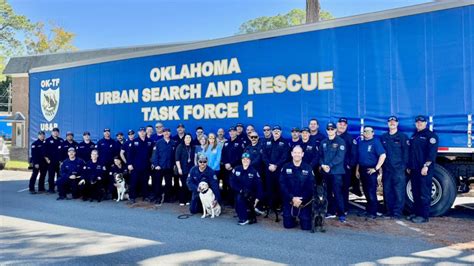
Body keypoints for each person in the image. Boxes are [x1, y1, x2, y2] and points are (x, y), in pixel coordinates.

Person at [407, 115, 439, 223]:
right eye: (417, 122)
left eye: (421, 122)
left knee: (424, 192)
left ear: (426, 123)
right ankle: (416, 213)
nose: (419, 123)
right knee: (415, 191)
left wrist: (426, 166)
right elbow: (412, 153)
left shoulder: (430, 136)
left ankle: (424, 216)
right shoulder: (414, 135)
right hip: (414, 168)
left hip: (424, 169)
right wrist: (409, 166)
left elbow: (432, 153)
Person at [279, 146, 315, 230]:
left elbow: (311, 186)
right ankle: (293, 218)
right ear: (291, 154)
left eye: (299, 153)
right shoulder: (285, 167)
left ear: (302, 154)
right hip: (290, 201)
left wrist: (302, 199)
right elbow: (282, 185)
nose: (297, 155)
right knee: (288, 225)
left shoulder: (308, 168)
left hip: (304, 202)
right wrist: (292, 198)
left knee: (306, 227)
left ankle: (303, 217)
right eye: (295, 152)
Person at [381, 116, 409, 219]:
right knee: (387, 191)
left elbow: (406, 153)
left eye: (394, 122)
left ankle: (397, 213)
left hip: (398, 170)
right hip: (387, 169)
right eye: (390, 122)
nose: (392, 123)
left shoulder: (402, 137)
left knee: (399, 191)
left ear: (397, 124)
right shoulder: (383, 137)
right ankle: (389, 212)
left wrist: (403, 167)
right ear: (388, 123)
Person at [356, 126, 386, 220]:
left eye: (369, 131)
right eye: (365, 131)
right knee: (365, 191)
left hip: (371, 170)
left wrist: (376, 168)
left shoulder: (376, 142)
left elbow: (383, 155)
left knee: (371, 192)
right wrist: (357, 170)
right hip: (362, 169)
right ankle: (368, 210)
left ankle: (373, 213)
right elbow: (358, 158)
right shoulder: (361, 143)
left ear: (373, 133)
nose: (367, 133)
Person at [319, 122, 347, 222]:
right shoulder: (323, 142)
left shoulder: (340, 141)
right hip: (326, 172)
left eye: (332, 129)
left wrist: (329, 166)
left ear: (335, 130)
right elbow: (320, 156)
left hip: (336, 172)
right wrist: (322, 165)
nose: (330, 131)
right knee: (328, 193)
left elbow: (340, 157)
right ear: (326, 130)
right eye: (328, 129)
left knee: (338, 193)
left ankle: (341, 214)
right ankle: (331, 212)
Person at [262, 125, 290, 216]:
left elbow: (285, 157)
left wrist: (276, 165)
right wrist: (269, 165)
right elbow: (264, 156)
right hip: (269, 169)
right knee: (270, 189)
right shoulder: (267, 142)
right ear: (272, 132)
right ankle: (270, 207)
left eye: (278, 131)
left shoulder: (285, 143)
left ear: (281, 132)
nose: (276, 132)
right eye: (274, 131)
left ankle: (282, 207)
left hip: (279, 170)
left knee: (281, 189)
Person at [230, 153, 264, 225]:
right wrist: (239, 190)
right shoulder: (236, 169)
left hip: (250, 194)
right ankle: (244, 213)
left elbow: (259, 186)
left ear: (250, 161)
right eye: (243, 159)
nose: (245, 161)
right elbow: (232, 182)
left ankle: (244, 219)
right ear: (241, 160)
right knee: (238, 200)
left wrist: (257, 198)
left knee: (240, 199)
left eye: (247, 159)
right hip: (239, 191)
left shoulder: (254, 171)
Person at [336, 117, 359, 212]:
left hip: (345, 169)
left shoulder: (350, 138)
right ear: (337, 125)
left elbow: (354, 154)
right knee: (335, 189)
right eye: (340, 124)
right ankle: (335, 208)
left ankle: (344, 209)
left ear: (346, 126)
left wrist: (350, 165)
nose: (342, 126)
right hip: (334, 169)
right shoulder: (332, 136)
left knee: (344, 189)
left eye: (344, 125)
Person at [127, 127, 154, 203]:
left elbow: (152, 154)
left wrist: (152, 163)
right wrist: (129, 164)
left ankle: (145, 196)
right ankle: (132, 197)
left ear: (146, 132)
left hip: (146, 166)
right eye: (140, 131)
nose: (142, 133)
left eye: (143, 131)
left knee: (145, 182)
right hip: (135, 166)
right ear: (138, 133)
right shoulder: (134, 141)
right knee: (134, 182)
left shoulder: (150, 142)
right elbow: (130, 154)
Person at [151, 127, 176, 204]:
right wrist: (156, 165)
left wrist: (174, 165)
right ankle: (158, 198)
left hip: (169, 167)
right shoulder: (158, 143)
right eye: (165, 132)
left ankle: (167, 198)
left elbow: (175, 155)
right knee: (158, 184)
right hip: (159, 167)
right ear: (162, 133)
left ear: (170, 133)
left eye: (168, 132)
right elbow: (155, 155)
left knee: (168, 183)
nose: (166, 133)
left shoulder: (173, 143)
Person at [221, 127, 244, 205]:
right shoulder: (226, 142)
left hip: (235, 167)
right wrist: (226, 163)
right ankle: (228, 200)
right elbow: (223, 155)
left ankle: (235, 201)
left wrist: (231, 164)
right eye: (230, 131)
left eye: (233, 131)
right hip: (226, 167)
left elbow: (240, 156)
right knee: (227, 183)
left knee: (234, 184)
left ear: (236, 132)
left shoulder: (240, 142)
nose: (231, 133)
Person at [96, 128, 118, 198]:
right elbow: (97, 154)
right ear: (103, 133)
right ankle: (104, 193)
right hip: (103, 164)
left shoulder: (113, 142)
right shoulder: (100, 142)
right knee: (103, 178)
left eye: (108, 132)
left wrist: (113, 163)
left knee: (111, 178)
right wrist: (101, 164)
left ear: (110, 133)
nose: (107, 133)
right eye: (105, 132)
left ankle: (111, 193)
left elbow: (116, 153)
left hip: (111, 164)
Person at [175, 133, 195, 205]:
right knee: (183, 184)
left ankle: (187, 200)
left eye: (189, 137)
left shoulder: (192, 147)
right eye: (186, 137)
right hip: (183, 168)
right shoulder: (180, 147)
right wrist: (179, 168)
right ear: (184, 139)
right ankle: (182, 200)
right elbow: (177, 159)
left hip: (191, 168)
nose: (188, 139)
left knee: (188, 184)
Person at [44, 127, 64, 193]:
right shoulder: (47, 140)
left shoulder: (61, 140)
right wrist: (47, 159)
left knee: (59, 176)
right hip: (51, 162)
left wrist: (62, 161)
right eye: (54, 131)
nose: (55, 132)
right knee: (51, 176)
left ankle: (59, 188)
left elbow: (63, 151)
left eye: (57, 131)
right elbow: (44, 151)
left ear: (58, 133)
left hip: (59, 162)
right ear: (52, 132)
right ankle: (51, 189)